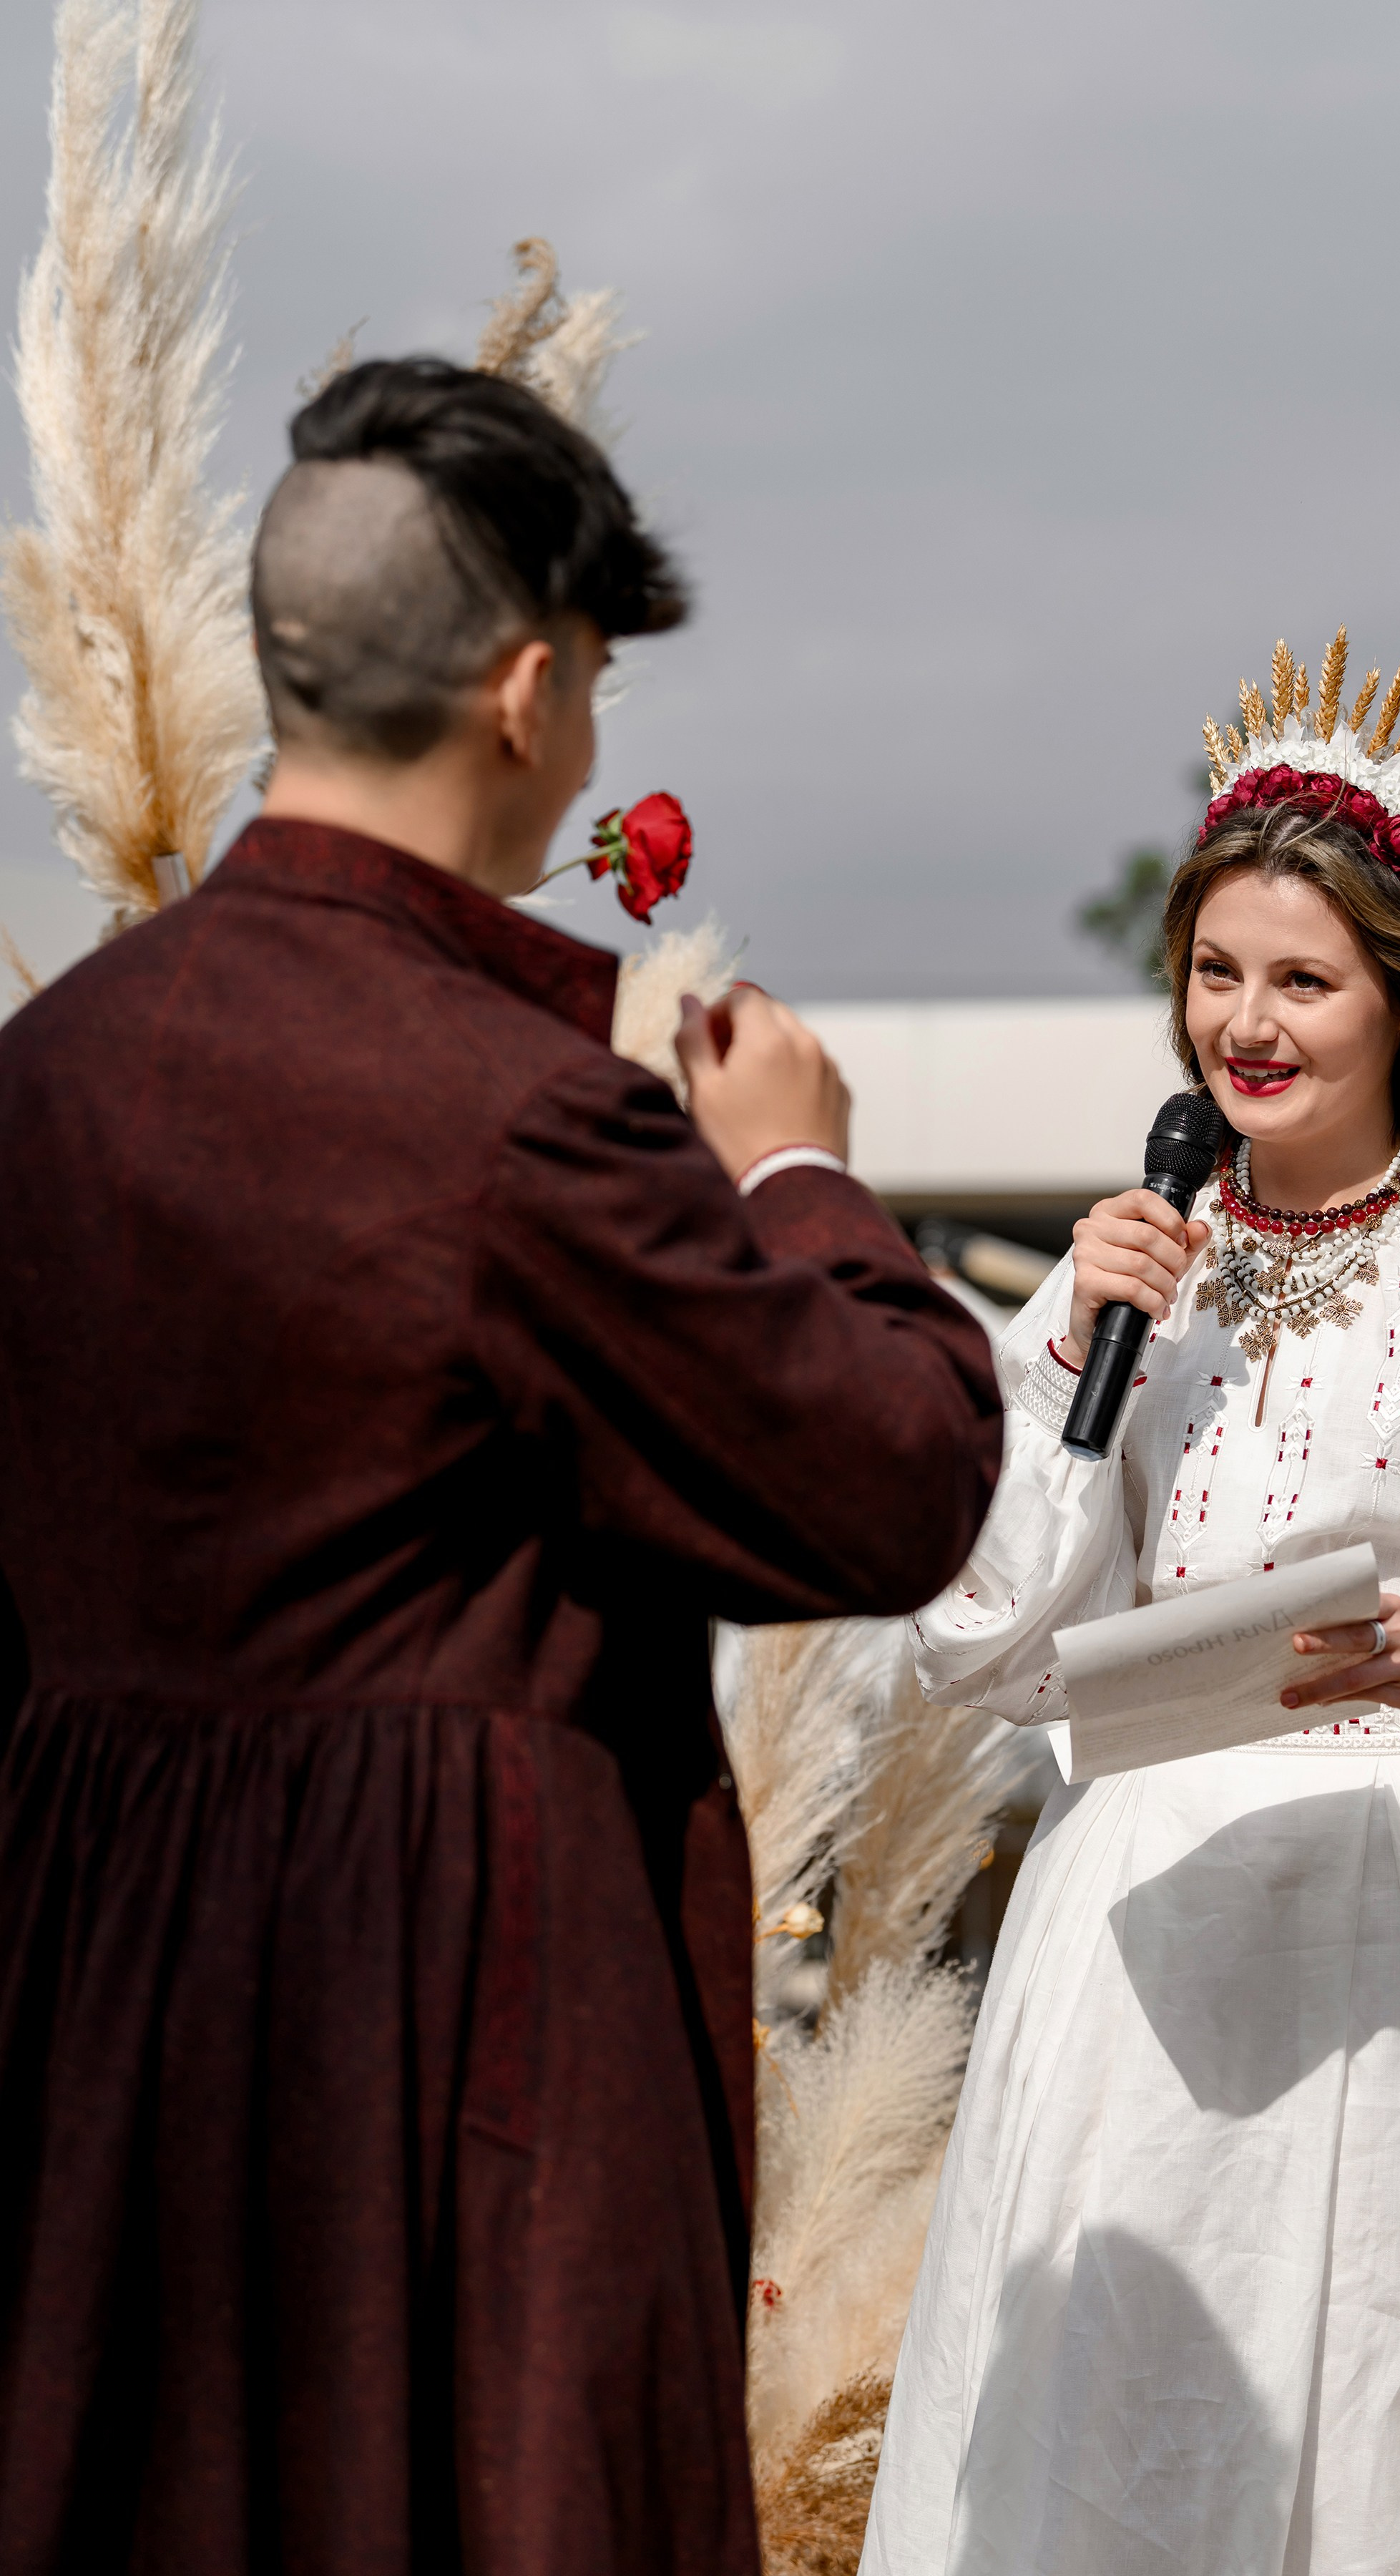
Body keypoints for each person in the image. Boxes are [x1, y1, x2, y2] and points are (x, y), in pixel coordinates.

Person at [0, 358, 1002, 2576]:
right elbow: (894, 1482)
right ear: (532, 692)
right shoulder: (524, 1121)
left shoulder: (46, 1077)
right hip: (441, 2033)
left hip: (94, 2022)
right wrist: (802, 1176)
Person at [861, 637, 1400, 2576]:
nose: (1244, 1024)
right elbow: (977, 1639)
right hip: (1138, 1951)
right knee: (1123, 2450)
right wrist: (1069, 1355)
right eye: (1215, 970)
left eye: (1303, 981)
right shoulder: (1119, 1268)